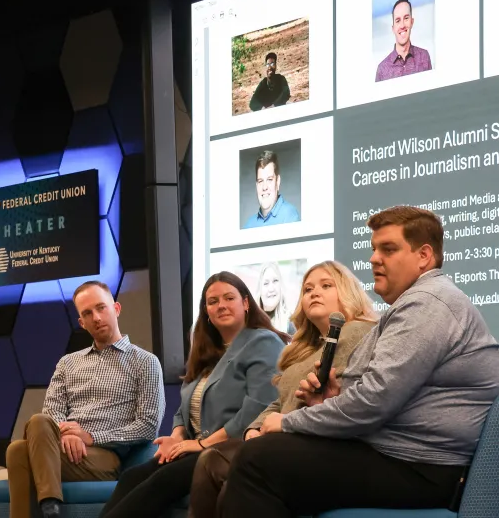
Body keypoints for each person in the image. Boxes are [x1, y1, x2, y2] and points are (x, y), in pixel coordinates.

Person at [220, 206, 499, 517]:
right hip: (400, 456)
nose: (373, 258)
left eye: (388, 249)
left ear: (424, 256)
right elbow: (387, 396)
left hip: (422, 466)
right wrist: (332, 400)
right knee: (258, 471)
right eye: (374, 249)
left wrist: (288, 422)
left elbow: (374, 403)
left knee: (257, 459)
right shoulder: (416, 303)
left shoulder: (428, 303)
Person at [189, 261, 377, 518]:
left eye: (326, 285)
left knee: (214, 462)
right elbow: (278, 402)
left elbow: (340, 397)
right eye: (308, 288)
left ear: (348, 291)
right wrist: (255, 429)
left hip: (323, 443)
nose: (314, 293)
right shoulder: (303, 349)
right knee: (216, 465)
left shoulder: (359, 332)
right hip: (282, 439)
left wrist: (281, 423)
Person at [99, 271, 290, 518]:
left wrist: (201, 443)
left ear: (245, 302)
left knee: (162, 481)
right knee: (132, 476)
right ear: (207, 312)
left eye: (228, 298)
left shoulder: (263, 342)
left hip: (234, 448)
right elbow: (183, 409)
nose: (221, 305)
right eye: (212, 302)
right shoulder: (207, 351)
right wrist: (177, 436)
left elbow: (256, 410)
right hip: (196, 447)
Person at [6, 280, 165, 518]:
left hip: (105, 456)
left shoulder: (145, 362)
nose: (97, 317)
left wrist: (90, 438)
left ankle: (50, 506)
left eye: (102, 308)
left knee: (19, 451)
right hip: (60, 447)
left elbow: (148, 426)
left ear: (117, 309)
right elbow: (52, 411)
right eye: (88, 313)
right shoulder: (68, 363)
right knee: (36, 425)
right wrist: (67, 434)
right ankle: (50, 505)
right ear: (81, 323)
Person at [375, 0, 432, 82]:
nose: (402, 25)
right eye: (398, 21)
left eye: (406, 18)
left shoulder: (424, 56)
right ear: (393, 28)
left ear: (412, 22)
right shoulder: (382, 69)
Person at [243, 151, 300, 229]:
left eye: (269, 179)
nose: (264, 187)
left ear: (278, 182)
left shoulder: (290, 217)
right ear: (256, 185)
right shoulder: (248, 225)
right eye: (260, 181)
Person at [255, 262, 295, 335]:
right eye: (266, 283)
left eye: (275, 281)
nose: (271, 289)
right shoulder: (249, 323)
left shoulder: (290, 324)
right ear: (259, 289)